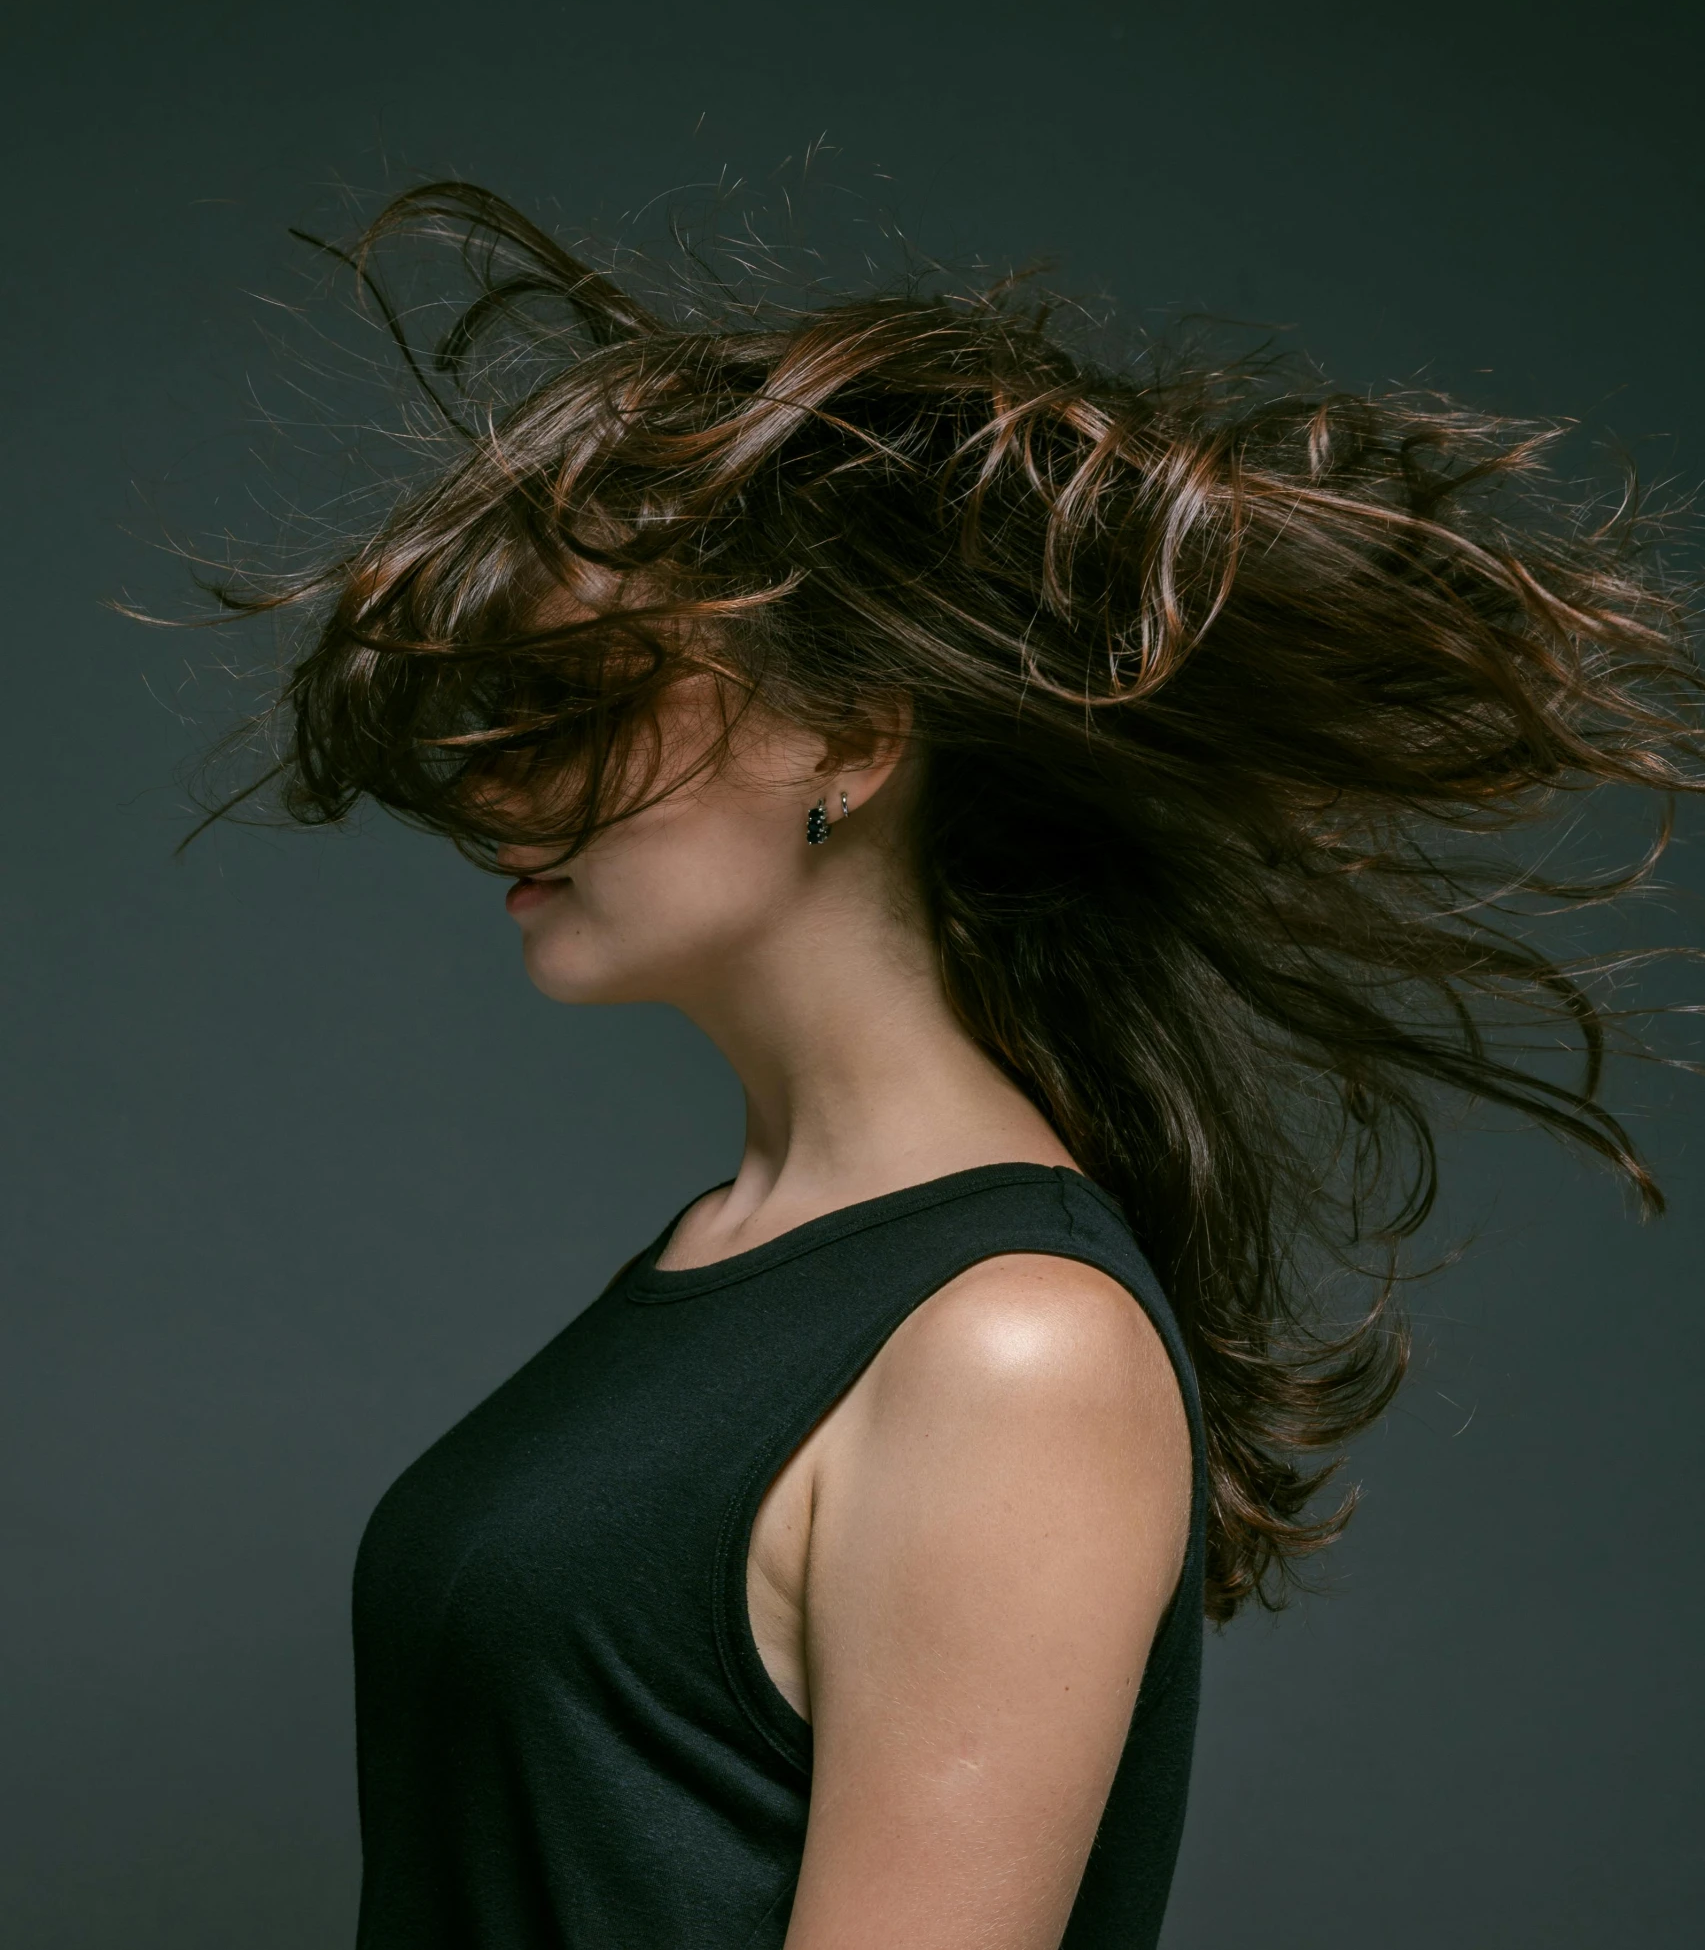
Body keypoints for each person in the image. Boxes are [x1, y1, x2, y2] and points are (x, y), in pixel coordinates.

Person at [196, 182, 1700, 1949]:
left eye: (575, 702)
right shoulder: (729, 1260)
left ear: (847, 730)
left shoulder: (1011, 1347)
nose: (487, 788)